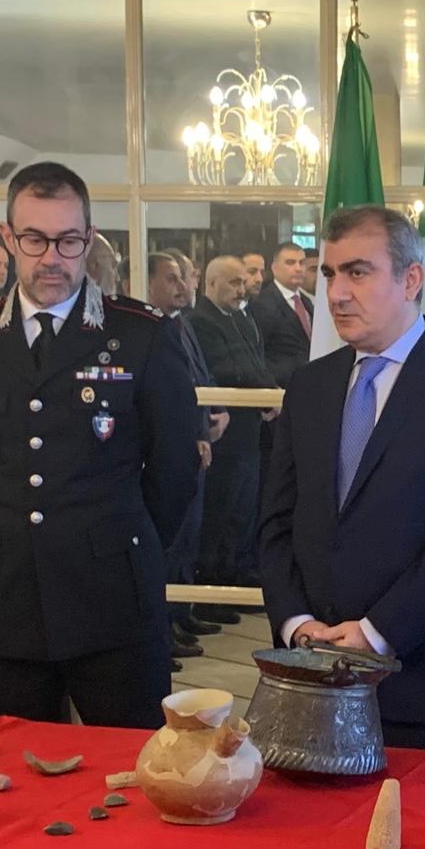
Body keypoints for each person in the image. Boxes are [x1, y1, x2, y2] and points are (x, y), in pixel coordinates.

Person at [0, 161, 199, 728]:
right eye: (34, 239)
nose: (52, 257)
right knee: (14, 767)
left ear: (89, 238)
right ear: (8, 237)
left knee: (132, 766)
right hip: (7, 597)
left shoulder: (141, 334)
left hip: (113, 595)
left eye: (68, 240)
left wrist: (122, 539)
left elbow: (175, 469)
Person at [259, 206, 425, 754]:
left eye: (358, 272)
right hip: (308, 679)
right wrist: (297, 624)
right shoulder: (309, 386)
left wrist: (375, 633)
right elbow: (276, 522)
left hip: (424, 691)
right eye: (329, 274)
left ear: (411, 279)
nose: (336, 293)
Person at [147, 251, 226, 664]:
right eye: (171, 279)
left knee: (189, 537)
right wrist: (194, 434)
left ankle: (180, 615)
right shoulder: (151, 331)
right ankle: (162, 629)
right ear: (147, 283)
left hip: (200, 438)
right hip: (177, 448)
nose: (182, 286)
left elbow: (201, 377)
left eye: (183, 278)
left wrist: (218, 412)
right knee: (172, 539)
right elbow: (171, 395)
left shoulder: (182, 323)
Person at [193, 256, 278, 602]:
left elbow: (256, 362)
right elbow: (228, 369)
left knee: (242, 511)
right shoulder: (201, 321)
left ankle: (236, 576)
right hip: (226, 434)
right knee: (221, 512)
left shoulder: (241, 317)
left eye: (243, 282)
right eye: (234, 282)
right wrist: (265, 394)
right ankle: (214, 590)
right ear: (211, 283)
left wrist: (271, 393)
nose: (241, 289)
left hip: (249, 431)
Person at [251, 241, 314, 387]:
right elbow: (260, 352)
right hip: (280, 385)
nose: (298, 268)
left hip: (308, 382)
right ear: (274, 268)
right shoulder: (263, 304)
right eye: (290, 263)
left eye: (301, 263)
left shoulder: (306, 302)